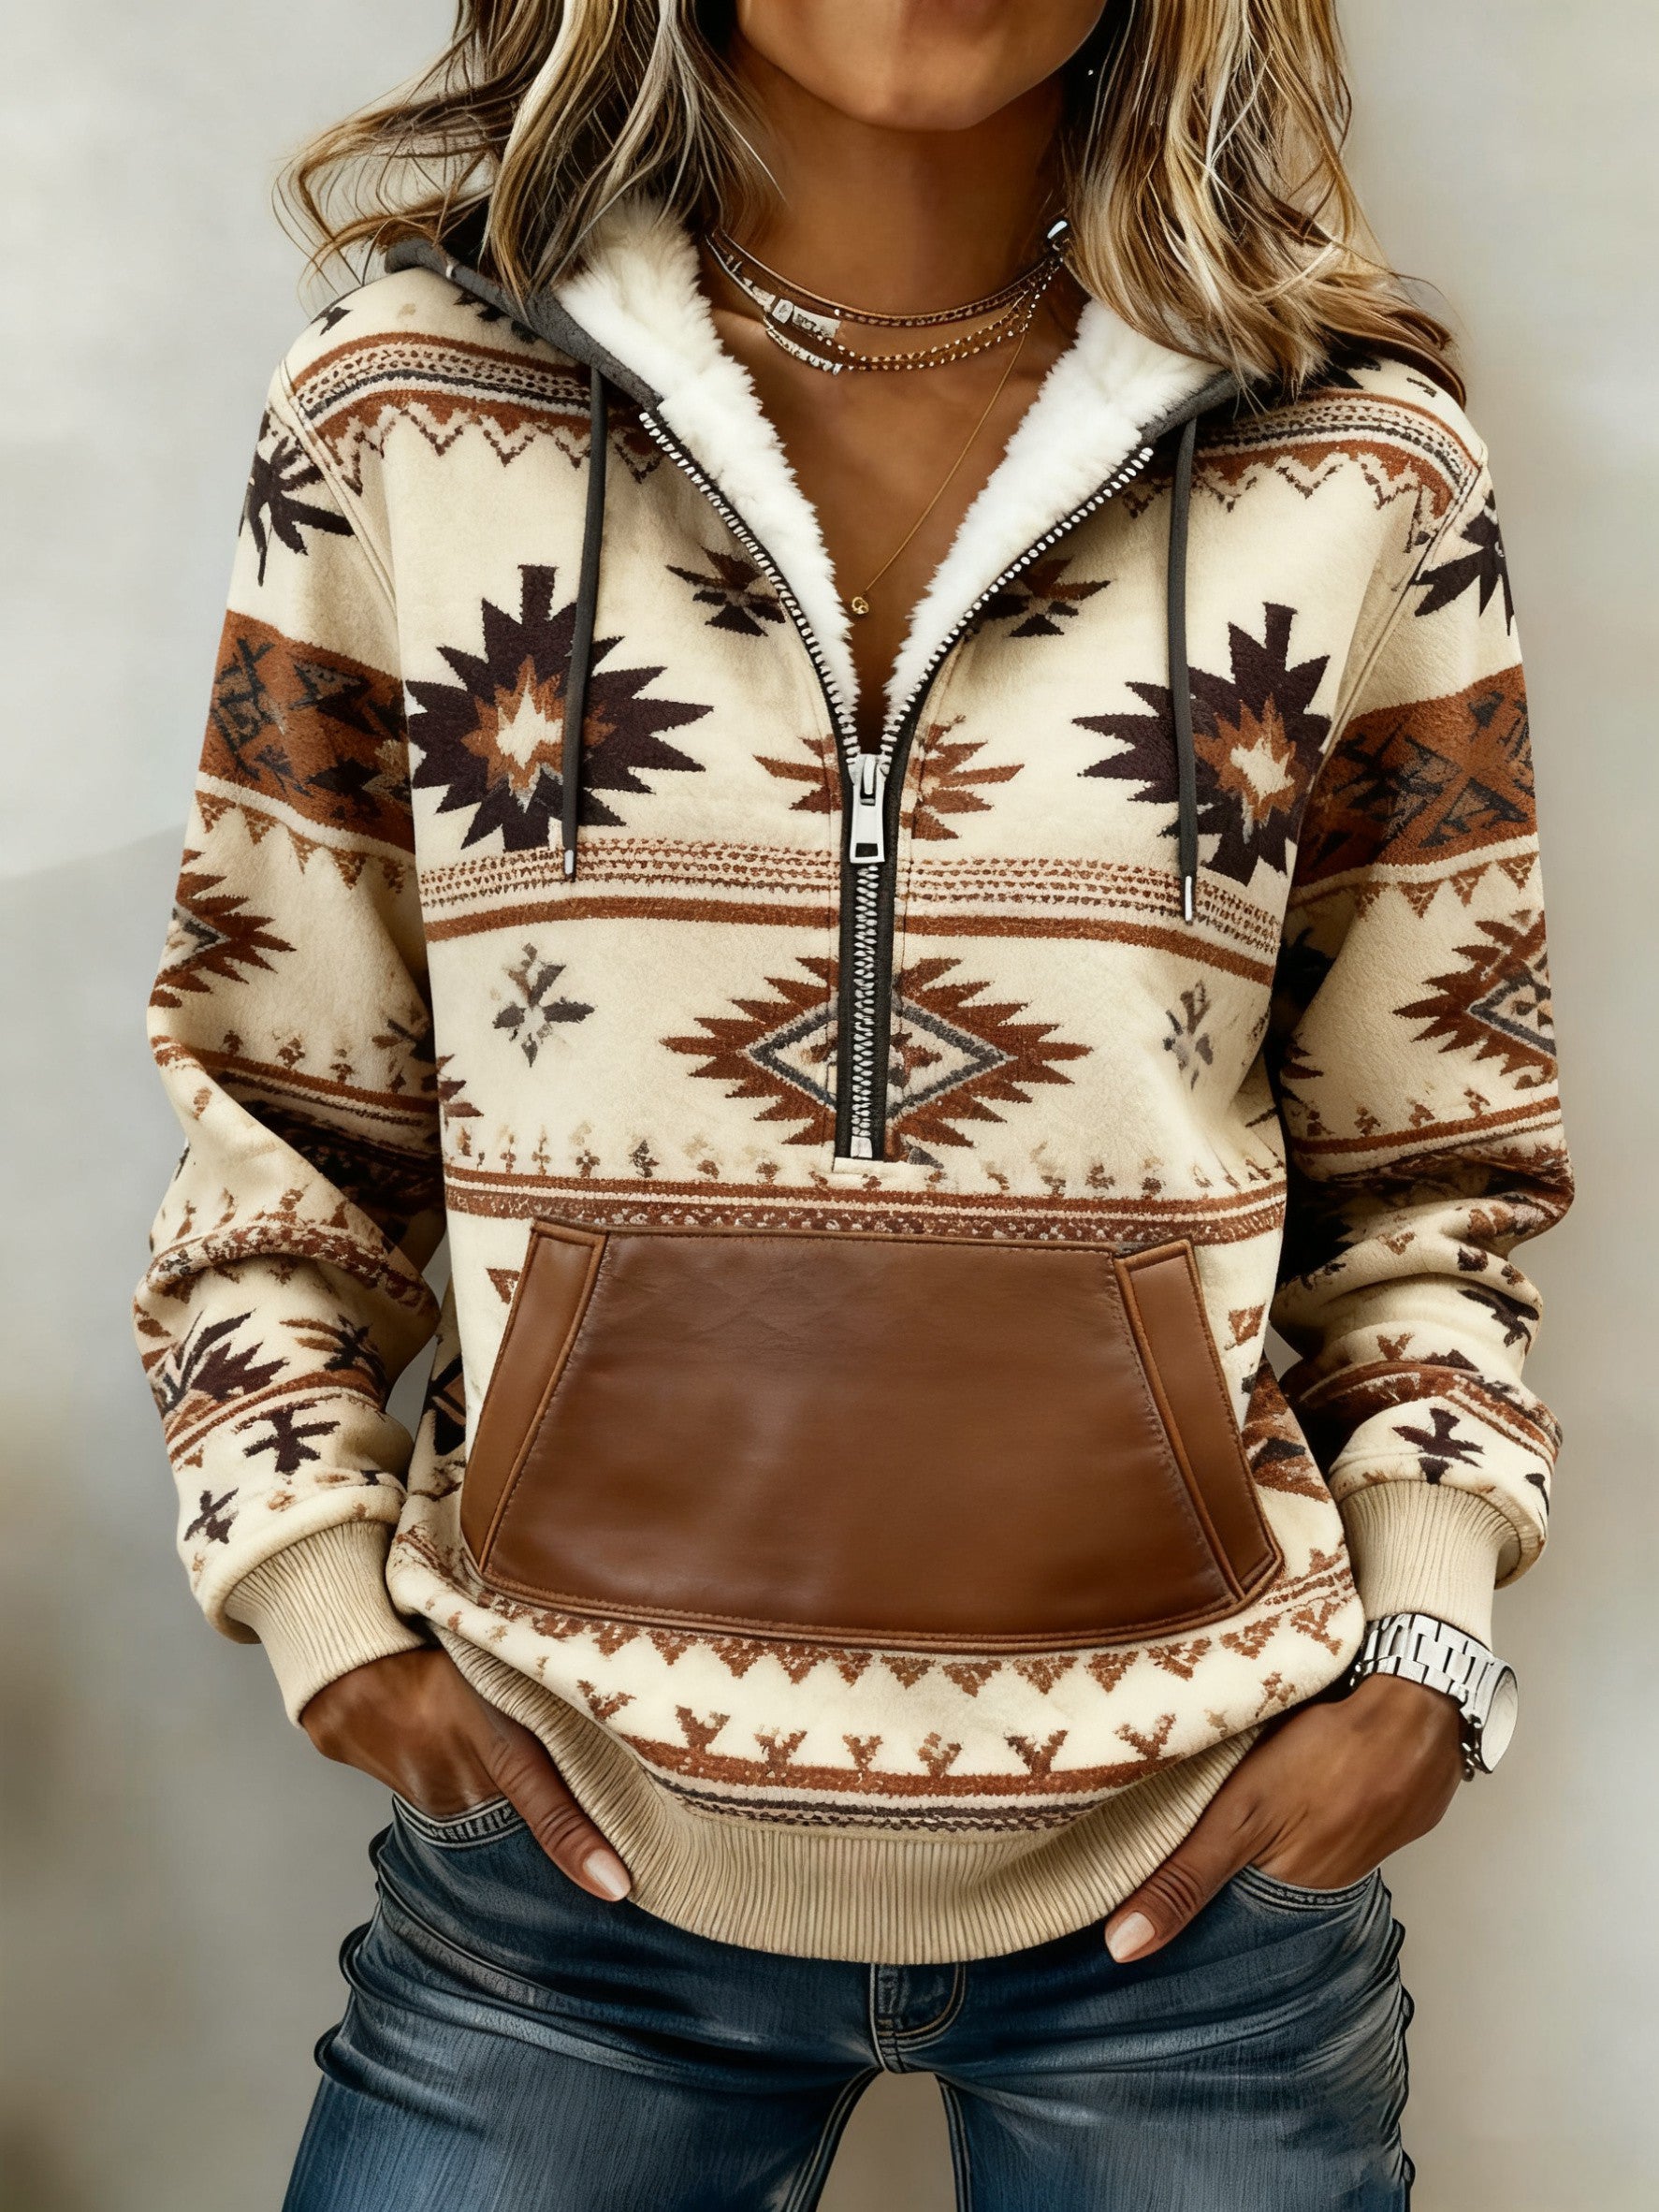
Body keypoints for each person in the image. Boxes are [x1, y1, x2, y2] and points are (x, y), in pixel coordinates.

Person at [133, 3, 1572, 2205]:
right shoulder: (405, 412)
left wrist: (1422, 1650)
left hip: (1200, 1885)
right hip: (563, 1877)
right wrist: (320, 1599)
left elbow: (1433, 1178)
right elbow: (278, 1117)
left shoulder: (1354, 463)